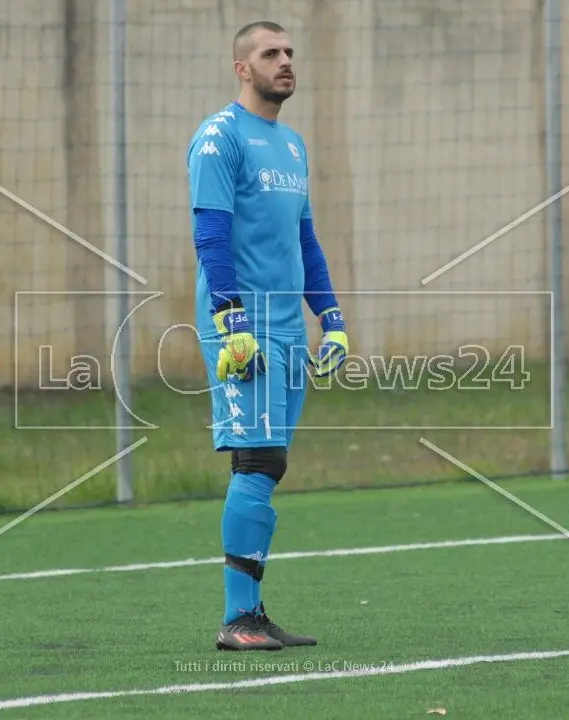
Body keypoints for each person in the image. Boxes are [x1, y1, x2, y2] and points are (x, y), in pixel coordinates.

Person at [185, 20, 349, 652]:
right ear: (241, 68)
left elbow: (305, 240)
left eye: (288, 53)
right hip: (244, 327)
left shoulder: (293, 145)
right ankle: (236, 621)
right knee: (254, 461)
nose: (285, 62)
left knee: (270, 461)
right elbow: (211, 234)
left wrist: (330, 318)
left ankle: (251, 611)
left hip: (287, 327)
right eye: (269, 54)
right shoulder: (218, 139)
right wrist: (229, 318)